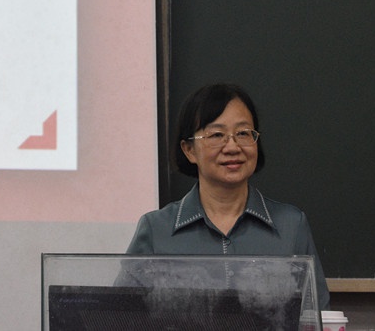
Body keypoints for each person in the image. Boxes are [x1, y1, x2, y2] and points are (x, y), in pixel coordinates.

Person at [125, 83, 330, 310]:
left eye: (243, 133)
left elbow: (318, 316)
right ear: (189, 150)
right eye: (216, 135)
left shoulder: (291, 225)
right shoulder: (156, 230)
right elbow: (119, 318)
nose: (232, 147)